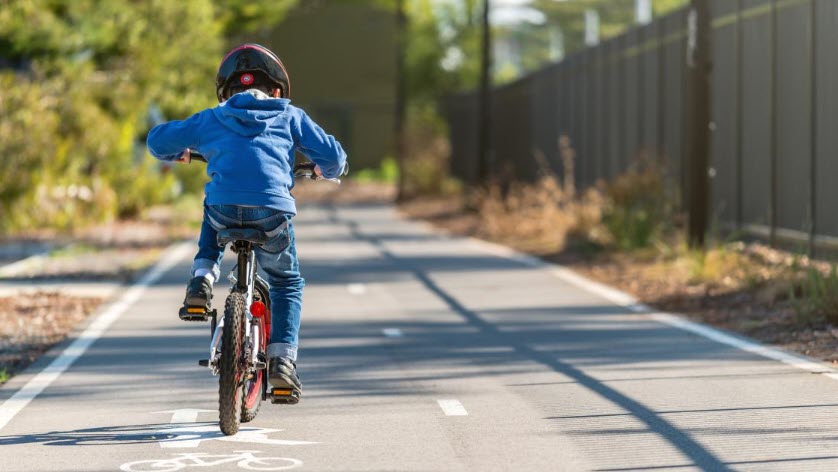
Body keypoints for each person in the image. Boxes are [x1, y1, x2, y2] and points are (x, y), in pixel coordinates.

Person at [146, 43, 347, 402]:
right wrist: (323, 169)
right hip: (271, 214)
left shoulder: (213, 117)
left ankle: (201, 279)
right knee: (286, 282)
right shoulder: (290, 115)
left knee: (215, 203)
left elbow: (157, 140)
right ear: (277, 90)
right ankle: (282, 363)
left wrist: (181, 151)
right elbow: (333, 157)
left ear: (227, 92)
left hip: (224, 212)